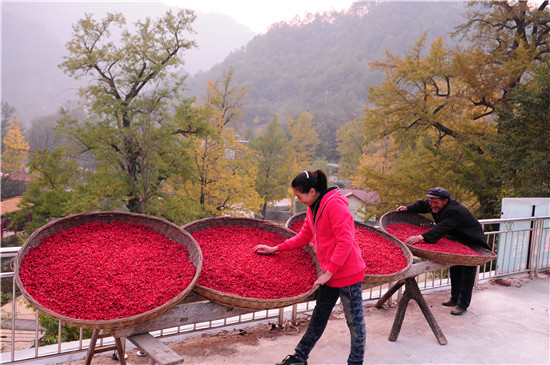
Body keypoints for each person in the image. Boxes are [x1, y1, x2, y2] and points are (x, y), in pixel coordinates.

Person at [254, 170, 366, 365]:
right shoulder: (313, 207)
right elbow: (304, 236)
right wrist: (275, 248)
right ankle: (300, 357)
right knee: (318, 318)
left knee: (354, 323)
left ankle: (355, 362)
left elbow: (345, 242)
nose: (297, 199)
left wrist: (329, 271)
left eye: (299, 195)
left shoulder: (335, 206)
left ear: (312, 191)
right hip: (329, 275)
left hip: (348, 274)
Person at [396, 187, 491, 316]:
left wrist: (420, 237)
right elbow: (422, 205)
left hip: (471, 242)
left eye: (435, 202)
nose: (432, 205)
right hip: (457, 239)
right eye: (431, 201)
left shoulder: (454, 211)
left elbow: (442, 227)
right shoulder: (434, 204)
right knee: (455, 268)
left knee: (467, 274)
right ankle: (454, 298)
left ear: (445, 201)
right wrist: (407, 208)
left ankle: (462, 305)